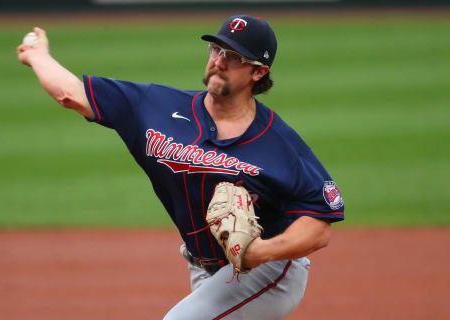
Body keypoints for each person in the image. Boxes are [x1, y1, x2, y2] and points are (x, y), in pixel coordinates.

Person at [17, 14, 344, 320]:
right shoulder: (155, 106)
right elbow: (72, 93)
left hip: (267, 272)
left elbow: (319, 225)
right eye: (216, 49)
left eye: (234, 57)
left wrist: (261, 252)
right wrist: (37, 55)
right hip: (203, 267)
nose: (218, 61)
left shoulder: (278, 142)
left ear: (258, 72)